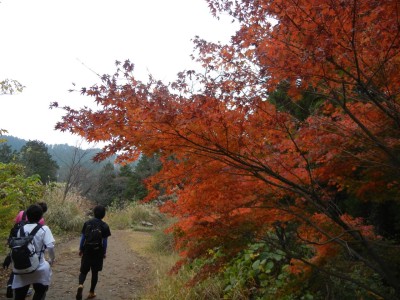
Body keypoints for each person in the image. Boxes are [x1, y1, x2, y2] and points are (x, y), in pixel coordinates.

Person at [4, 202, 48, 298]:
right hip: (31, 251)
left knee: (18, 262)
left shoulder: (21, 213)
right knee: (28, 265)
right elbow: (38, 237)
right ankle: (31, 288)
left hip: (16, 243)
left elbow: (16, 225)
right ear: (41, 213)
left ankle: (11, 285)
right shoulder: (41, 221)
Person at [12, 204, 55, 300]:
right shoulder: (44, 229)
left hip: (22, 266)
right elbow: (50, 246)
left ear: (27, 215)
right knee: (41, 291)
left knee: (20, 293)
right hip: (39, 266)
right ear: (41, 216)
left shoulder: (21, 229)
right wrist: (52, 259)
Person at [76, 205, 111, 300]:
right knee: (95, 273)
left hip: (87, 249)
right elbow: (105, 241)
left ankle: (80, 285)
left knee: (83, 271)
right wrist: (104, 252)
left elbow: (83, 238)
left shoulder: (87, 223)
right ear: (103, 215)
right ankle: (91, 292)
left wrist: (80, 249)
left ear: (94, 213)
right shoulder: (105, 226)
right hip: (98, 251)